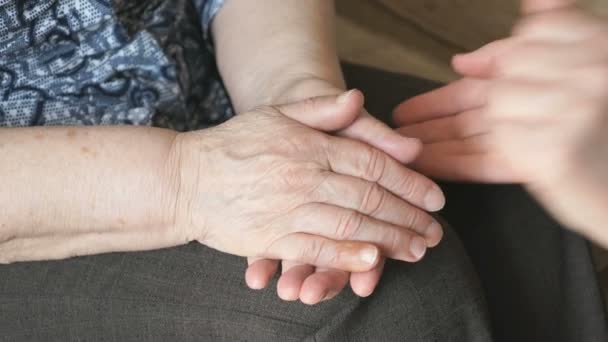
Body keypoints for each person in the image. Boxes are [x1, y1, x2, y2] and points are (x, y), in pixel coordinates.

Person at [0, 0, 491, 341]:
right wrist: (185, 181)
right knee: (384, 300)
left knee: (494, 159)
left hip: (208, 72)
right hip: (44, 198)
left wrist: (294, 95)